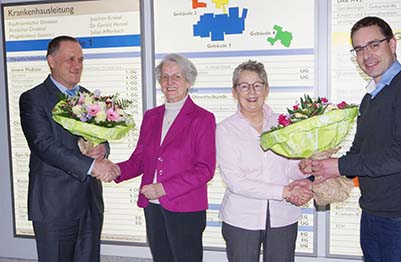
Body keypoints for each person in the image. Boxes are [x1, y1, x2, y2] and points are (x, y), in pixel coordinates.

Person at [303, 16, 401, 261]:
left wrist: (340, 166)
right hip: (372, 214)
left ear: (392, 44)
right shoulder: (370, 98)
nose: (367, 55)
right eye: (359, 49)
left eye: (374, 44)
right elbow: (358, 152)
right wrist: (318, 171)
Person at [19, 36, 119, 262]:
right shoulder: (33, 99)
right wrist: (93, 166)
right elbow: (43, 145)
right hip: (55, 207)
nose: (77, 65)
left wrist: (102, 148)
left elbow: (100, 136)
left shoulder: (88, 96)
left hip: (89, 204)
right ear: (51, 61)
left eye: (81, 60)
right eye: (70, 59)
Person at [113, 53, 216, 262]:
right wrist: (116, 170)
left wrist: (164, 188)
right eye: (165, 77)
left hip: (186, 208)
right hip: (153, 208)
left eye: (177, 76)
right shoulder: (151, 116)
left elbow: (205, 169)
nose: (170, 82)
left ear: (188, 81)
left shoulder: (203, 118)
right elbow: (140, 160)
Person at [216, 60, 314, 262]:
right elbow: (236, 182)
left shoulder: (283, 123)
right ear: (235, 92)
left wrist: (304, 168)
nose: (251, 92)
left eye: (257, 85)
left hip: (283, 216)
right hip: (242, 219)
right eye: (244, 86)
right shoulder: (226, 129)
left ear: (266, 89)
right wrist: (284, 191)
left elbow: (289, 168)